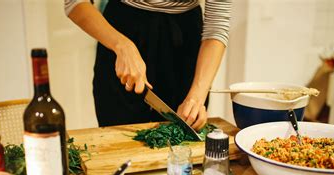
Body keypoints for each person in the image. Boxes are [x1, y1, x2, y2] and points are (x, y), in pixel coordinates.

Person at [65, 0, 231, 130]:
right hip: (121, 31)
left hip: (185, 42)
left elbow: (217, 25)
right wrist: (122, 46)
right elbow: (75, 3)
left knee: (182, 146)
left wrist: (197, 96)